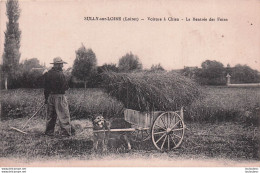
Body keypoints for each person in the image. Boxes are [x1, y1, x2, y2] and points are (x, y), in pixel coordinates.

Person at [44, 57, 73, 137]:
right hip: (59, 97)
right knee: (63, 115)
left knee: (50, 116)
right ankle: (65, 133)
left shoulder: (48, 74)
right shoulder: (61, 74)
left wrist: (46, 99)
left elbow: (46, 88)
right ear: (58, 65)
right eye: (61, 64)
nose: (62, 66)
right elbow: (65, 87)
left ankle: (49, 132)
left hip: (50, 97)